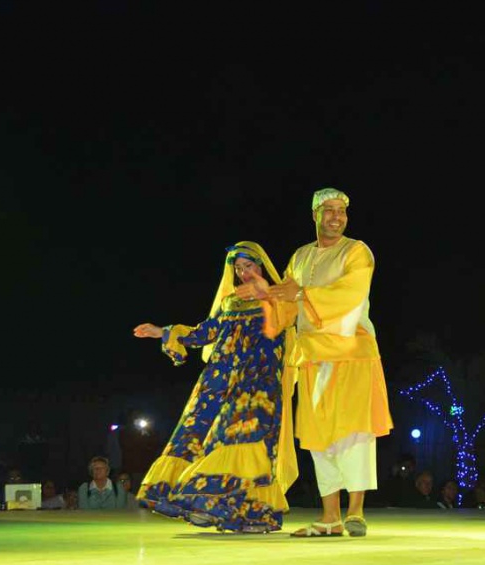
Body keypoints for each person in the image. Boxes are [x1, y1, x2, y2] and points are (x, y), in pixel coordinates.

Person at [243, 189, 393, 538]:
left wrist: (300, 294)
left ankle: (355, 512)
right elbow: (287, 305)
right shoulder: (300, 257)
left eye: (341, 211)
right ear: (315, 215)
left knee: (355, 432)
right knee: (316, 436)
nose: (336, 217)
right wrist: (266, 292)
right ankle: (329, 516)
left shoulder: (357, 252)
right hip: (311, 355)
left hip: (352, 351)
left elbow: (351, 294)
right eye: (329, 211)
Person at [134, 242, 297, 532]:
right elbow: (206, 332)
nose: (244, 273)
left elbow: (283, 323)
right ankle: (217, 508)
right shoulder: (230, 303)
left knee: (242, 440)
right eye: (238, 269)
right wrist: (164, 332)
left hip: (257, 382)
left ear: (261, 266)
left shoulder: (281, 298)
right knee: (201, 434)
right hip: (220, 380)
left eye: (249, 266)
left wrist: (265, 292)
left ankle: (255, 513)